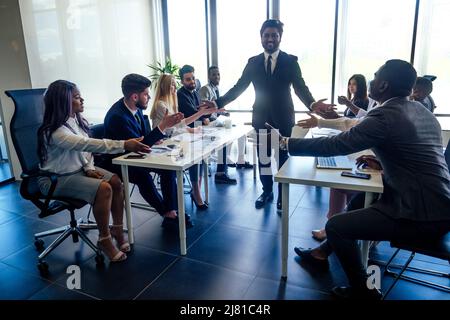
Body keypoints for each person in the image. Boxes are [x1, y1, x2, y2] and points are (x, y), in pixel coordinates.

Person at [279, 59, 450, 299]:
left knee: (335, 226)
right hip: (441, 205)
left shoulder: (385, 115)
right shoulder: (422, 112)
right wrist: (381, 162)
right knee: (359, 200)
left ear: (383, 85)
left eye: (376, 76)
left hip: (419, 214)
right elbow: (416, 155)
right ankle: (321, 253)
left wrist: (288, 143)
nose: (371, 80)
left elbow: (340, 143)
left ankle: (365, 292)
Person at [213, 19, 333, 210]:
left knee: (283, 158)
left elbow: (300, 87)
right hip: (261, 118)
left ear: (280, 38)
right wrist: (217, 103)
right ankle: (267, 191)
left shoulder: (290, 61)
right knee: (264, 159)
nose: (270, 38)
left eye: (274, 35)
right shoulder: (252, 62)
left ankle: (282, 196)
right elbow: (239, 87)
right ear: (261, 37)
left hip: (284, 119)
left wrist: (312, 103)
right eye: (267, 35)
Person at [37, 80, 151, 262]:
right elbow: (85, 143)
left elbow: (86, 151)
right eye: (76, 97)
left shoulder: (75, 121)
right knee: (104, 188)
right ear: (62, 101)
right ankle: (104, 239)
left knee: (115, 181)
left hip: (79, 169)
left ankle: (117, 229)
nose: (82, 99)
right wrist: (124, 144)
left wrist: (89, 168)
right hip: (55, 179)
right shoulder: (55, 131)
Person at [103, 73, 191, 229]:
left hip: (137, 155)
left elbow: (143, 138)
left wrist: (155, 137)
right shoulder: (117, 117)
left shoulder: (135, 108)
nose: (149, 97)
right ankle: (168, 213)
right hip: (118, 161)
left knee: (168, 168)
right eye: (146, 94)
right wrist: (163, 126)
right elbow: (138, 146)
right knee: (143, 176)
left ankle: (171, 210)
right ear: (135, 97)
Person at [177, 65, 226, 208]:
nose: (192, 81)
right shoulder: (181, 94)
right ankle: (197, 192)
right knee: (196, 158)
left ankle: (196, 189)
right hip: (185, 134)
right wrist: (214, 110)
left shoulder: (196, 93)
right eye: (188, 79)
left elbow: (201, 111)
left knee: (203, 157)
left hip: (198, 131)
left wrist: (207, 113)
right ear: (182, 81)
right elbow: (195, 112)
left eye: (192, 78)